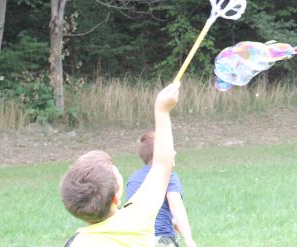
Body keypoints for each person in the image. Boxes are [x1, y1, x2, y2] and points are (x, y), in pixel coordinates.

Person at [60, 82, 181, 246]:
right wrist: (162, 111)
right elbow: (161, 165)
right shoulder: (136, 219)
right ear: (116, 198)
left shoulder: (77, 243)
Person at [125, 131, 196, 247]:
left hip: (137, 240)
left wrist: (170, 221)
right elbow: (176, 206)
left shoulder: (133, 179)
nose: (175, 152)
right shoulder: (168, 177)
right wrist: (188, 239)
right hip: (162, 239)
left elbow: (134, 210)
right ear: (162, 154)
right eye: (171, 149)